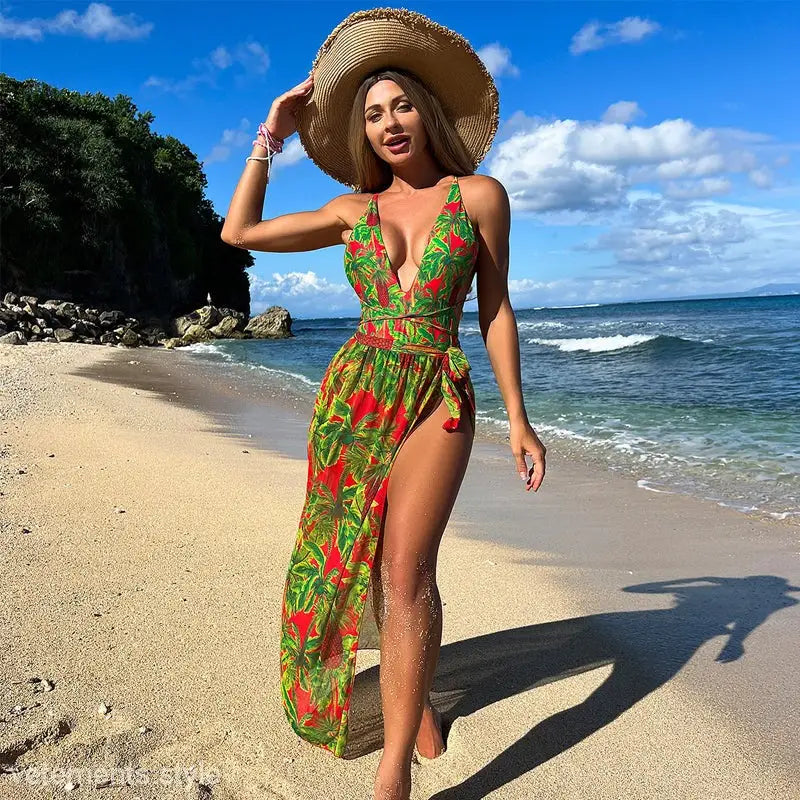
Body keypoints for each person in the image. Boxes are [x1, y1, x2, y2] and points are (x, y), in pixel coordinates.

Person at [220, 8, 547, 800]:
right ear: (361, 133)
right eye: (372, 114)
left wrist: (518, 418)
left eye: (400, 106)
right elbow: (239, 232)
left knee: (407, 570)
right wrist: (270, 135)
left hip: (437, 389)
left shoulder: (480, 196)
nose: (389, 123)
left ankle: (393, 767)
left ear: (427, 113)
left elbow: (495, 309)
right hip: (355, 393)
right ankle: (418, 701)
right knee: (358, 553)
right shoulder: (351, 212)